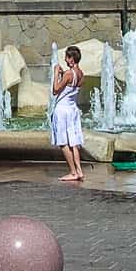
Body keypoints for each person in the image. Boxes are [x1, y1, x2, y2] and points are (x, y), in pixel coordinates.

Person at [51, 45, 86, 181]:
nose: (65, 59)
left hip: (62, 110)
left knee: (63, 143)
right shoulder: (81, 74)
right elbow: (70, 84)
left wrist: (56, 73)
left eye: (67, 57)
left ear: (71, 59)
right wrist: (62, 74)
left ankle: (73, 172)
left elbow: (55, 90)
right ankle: (79, 171)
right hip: (72, 110)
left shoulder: (68, 74)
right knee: (73, 142)